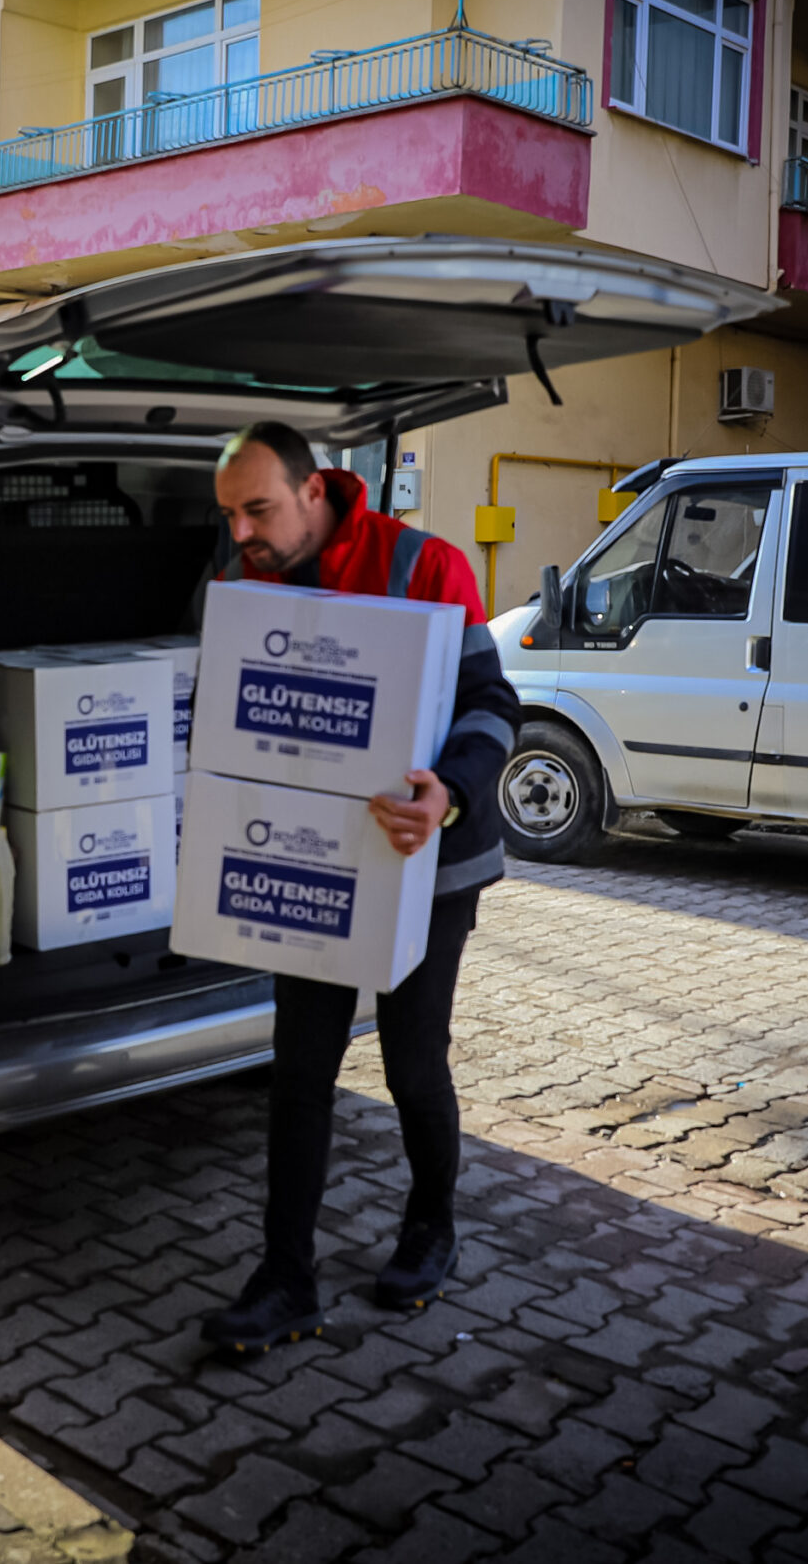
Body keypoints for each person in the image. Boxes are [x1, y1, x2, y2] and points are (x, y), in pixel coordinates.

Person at [201, 420, 521, 1353]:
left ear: (315, 492)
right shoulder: (239, 581)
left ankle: (431, 1228)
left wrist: (449, 791)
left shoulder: (423, 564)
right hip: (313, 860)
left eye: (257, 509)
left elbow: (493, 704)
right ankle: (285, 1276)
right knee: (299, 1069)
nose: (243, 532)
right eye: (229, 515)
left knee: (413, 1063)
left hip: (430, 858)